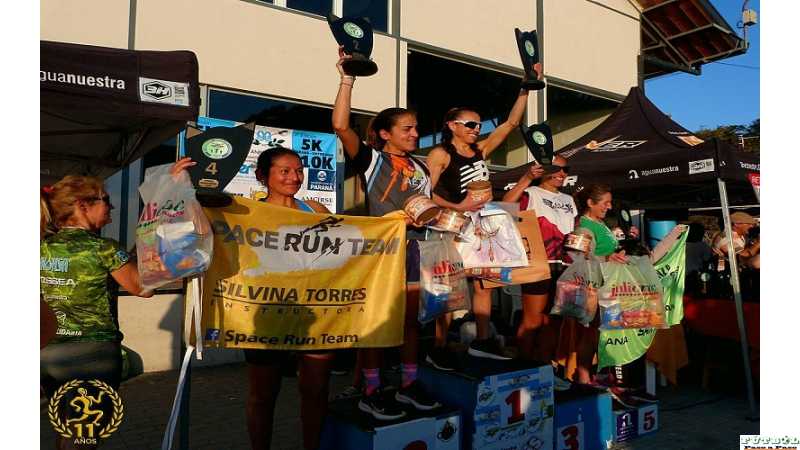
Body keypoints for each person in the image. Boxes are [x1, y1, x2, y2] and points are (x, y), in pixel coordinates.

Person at [332, 47, 441, 420]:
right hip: (381, 251)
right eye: (406, 129)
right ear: (384, 134)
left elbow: (428, 205)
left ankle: (408, 385)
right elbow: (341, 127)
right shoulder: (372, 159)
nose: (415, 133)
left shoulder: (421, 167)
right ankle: (372, 389)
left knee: (410, 322)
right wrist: (347, 78)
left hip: (415, 250)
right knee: (379, 322)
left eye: (415, 127)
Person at [426, 69, 539, 363]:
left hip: (484, 223)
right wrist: (459, 207)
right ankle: (438, 347)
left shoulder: (480, 149)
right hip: (454, 225)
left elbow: (512, 123)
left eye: (478, 124)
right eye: (470, 124)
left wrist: (525, 87)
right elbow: (426, 192)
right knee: (449, 287)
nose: (477, 128)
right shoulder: (440, 153)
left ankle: (483, 339)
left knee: (485, 282)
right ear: (452, 125)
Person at [40, 175, 154, 450]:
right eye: (107, 200)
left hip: (48, 351)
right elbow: (143, 288)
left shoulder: (40, 246)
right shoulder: (103, 248)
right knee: (86, 435)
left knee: (66, 426)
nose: (112, 208)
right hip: (93, 352)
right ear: (82, 205)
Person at [502, 156, 573, 389]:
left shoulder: (569, 199)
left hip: (564, 264)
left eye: (566, 170)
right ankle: (523, 369)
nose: (562, 174)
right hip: (538, 261)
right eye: (557, 170)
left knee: (553, 320)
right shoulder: (531, 192)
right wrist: (526, 178)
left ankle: (544, 367)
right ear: (544, 171)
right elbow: (506, 204)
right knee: (532, 319)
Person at [570, 184, 627, 387]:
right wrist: (607, 257)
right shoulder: (584, 227)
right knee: (591, 333)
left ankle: (598, 375)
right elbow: (576, 257)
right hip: (594, 287)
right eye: (605, 203)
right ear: (590, 203)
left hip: (607, 284)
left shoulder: (600, 224)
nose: (609, 207)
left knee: (600, 332)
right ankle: (584, 378)